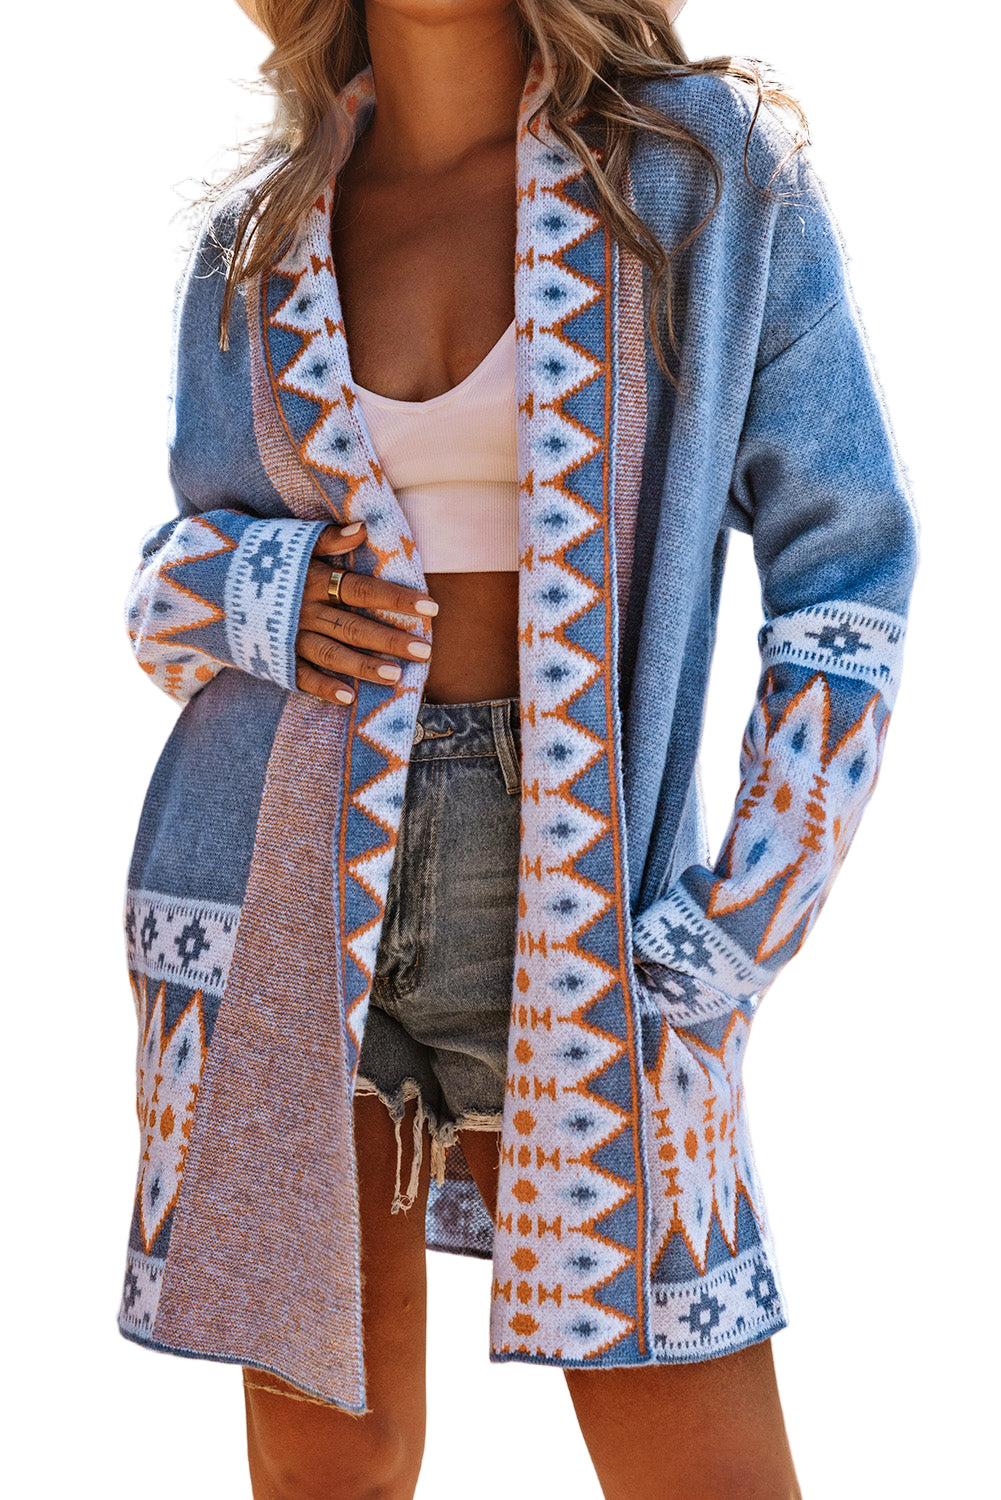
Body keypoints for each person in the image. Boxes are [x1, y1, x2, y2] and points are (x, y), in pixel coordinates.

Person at [117, 1, 918, 1496]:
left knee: (705, 1476)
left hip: (576, 894)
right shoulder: (259, 242)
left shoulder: (697, 175)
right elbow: (173, 601)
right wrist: (251, 587)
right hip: (284, 875)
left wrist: (736, 930)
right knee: (330, 1472)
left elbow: (850, 562)